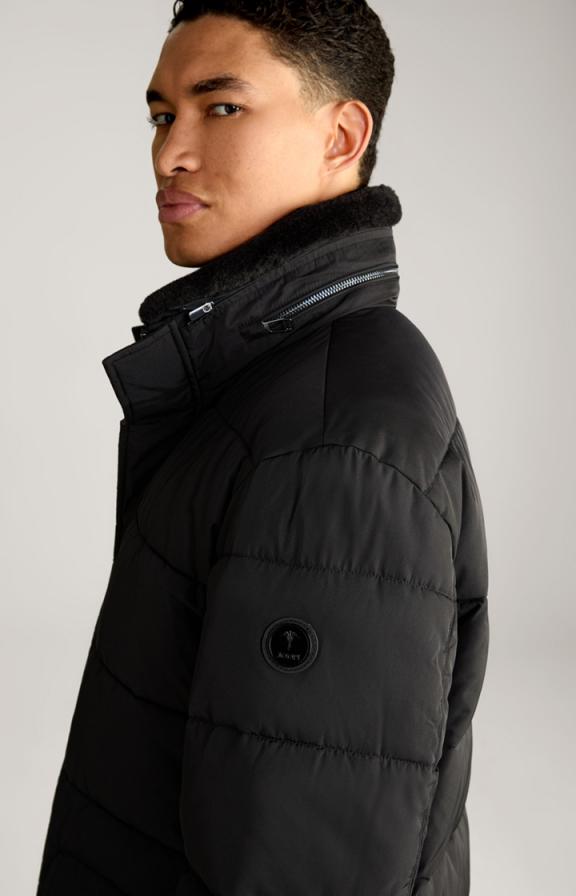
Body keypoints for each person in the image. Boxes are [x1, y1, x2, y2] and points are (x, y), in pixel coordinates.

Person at [35, 2, 490, 894]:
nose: (170, 153)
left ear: (341, 136)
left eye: (222, 107)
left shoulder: (331, 442)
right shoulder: (279, 379)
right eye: (162, 115)